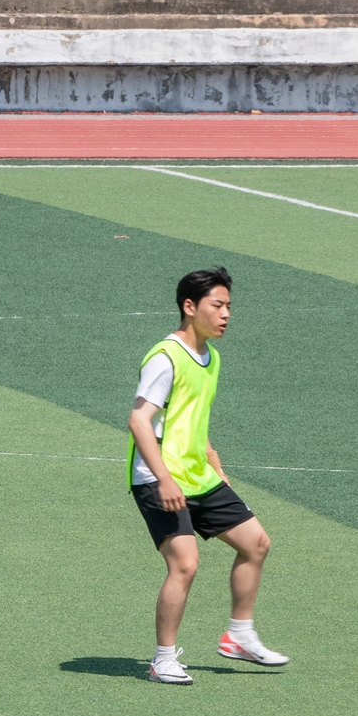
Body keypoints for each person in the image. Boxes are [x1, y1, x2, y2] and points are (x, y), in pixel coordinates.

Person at [128, 266, 287, 684]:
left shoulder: (210, 357)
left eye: (229, 306)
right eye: (217, 305)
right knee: (185, 563)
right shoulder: (166, 358)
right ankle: (163, 658)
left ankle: (239, 636)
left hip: (198, 474)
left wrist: (215, 464)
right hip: (157, 478)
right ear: (189, 306)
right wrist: (163, 479)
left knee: (256, 544)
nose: (226, 314)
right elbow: (140, 421)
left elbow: (191, 419)